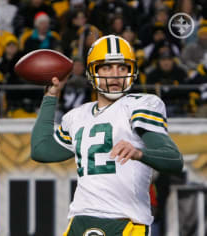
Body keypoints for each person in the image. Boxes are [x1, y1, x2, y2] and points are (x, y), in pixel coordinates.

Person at [30, 35, 183, 235]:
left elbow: (174, 160)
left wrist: (139, 154)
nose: (115, 75)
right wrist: (51, 96)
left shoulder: (140, 105)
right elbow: (40, 150)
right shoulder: (77, 116)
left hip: (125, 222)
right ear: (92, 72)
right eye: (107, 67)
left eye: (122, 68)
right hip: (80, 220)